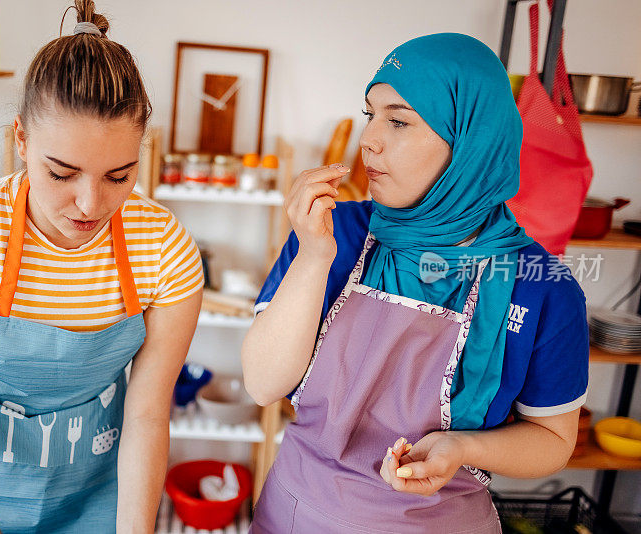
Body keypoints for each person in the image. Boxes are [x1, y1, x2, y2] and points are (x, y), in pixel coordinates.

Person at [243, 33, 588, 533]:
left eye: (399, 120)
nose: (369, 139)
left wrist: (462, 447)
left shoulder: (544, 286)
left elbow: (554, 438)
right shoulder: (332, 233)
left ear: (470, 139)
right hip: (295, 516)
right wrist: (315, 258)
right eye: (371, 114)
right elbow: (262, 383)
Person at [0, 2, 203, 532]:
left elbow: (149, 416)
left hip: (96, 499)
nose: (90, 205)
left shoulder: (162, 246)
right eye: (62, 173)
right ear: (21, 140)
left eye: (119, 175)